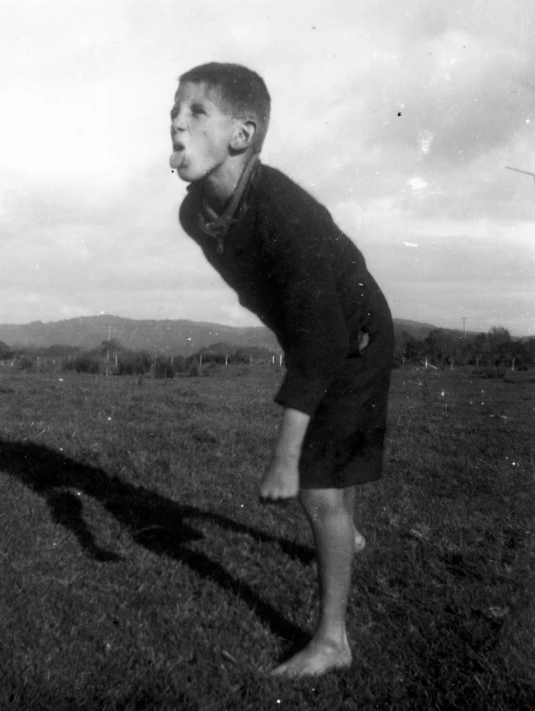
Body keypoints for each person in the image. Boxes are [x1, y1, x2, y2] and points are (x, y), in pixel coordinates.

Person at [169, 62, 394, 677]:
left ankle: (332, 641)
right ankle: (347, 536)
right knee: (333, 480)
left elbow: (322, 337)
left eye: (196, 113)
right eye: (173, 112)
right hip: (317, 330)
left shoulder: (283, 212)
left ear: (243, 134)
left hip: (358, 337)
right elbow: (268, 294)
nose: (175, 125)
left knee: (318, 485)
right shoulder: (196, 215)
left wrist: (285, 456)